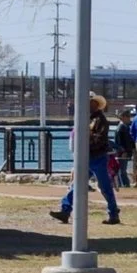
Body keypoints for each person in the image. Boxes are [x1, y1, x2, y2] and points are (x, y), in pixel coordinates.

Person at [52, 95, 122, 225]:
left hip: (98, 157)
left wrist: (86, 143)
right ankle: (65, 210)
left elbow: (100, 139)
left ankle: (113, 213)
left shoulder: (100, 120)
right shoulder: (86, 118)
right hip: (87, 156)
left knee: (104, 186)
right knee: (77, 184)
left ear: (95, 104)